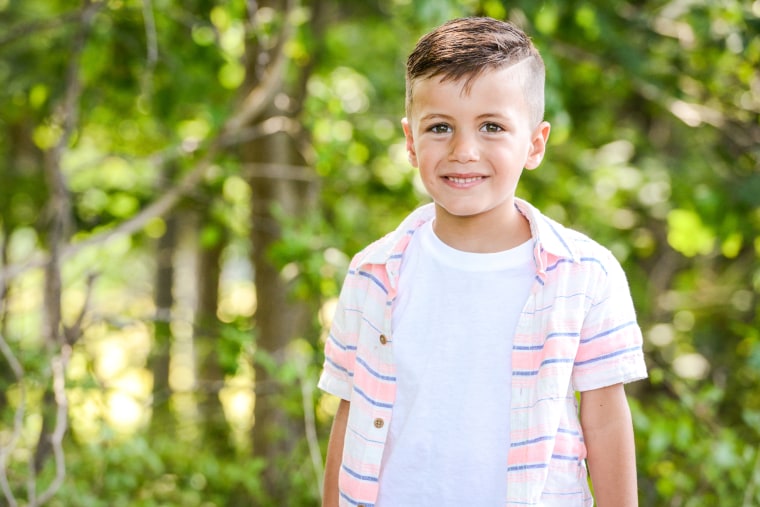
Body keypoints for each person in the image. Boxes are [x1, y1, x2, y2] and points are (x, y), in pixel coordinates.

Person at [318, 16, 647, 507]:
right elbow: (352, 413)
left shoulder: (585, 275)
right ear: (410, 142)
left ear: (535, 143)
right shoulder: (373, 273)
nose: (463, 151)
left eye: (492, 127)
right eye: (440, 127)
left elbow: (604, 420)